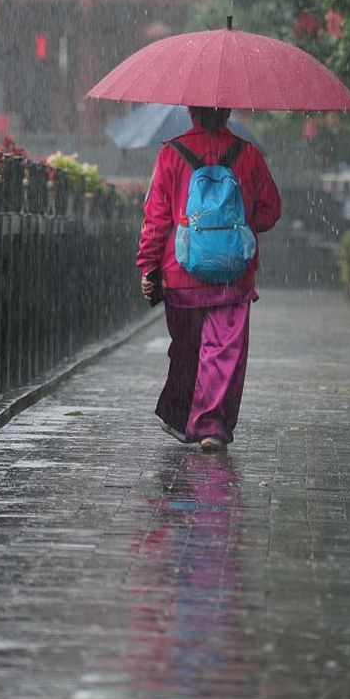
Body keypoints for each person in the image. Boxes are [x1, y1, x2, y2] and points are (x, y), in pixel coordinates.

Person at [137, 106, 281, 454]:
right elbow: (271, 210)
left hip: (181, 271)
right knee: (224, 351)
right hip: (234, 273)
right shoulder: (248, 154)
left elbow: (155, 218)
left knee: (187, 349)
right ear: (228, 112)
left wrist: (148, 265)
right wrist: (236, 226)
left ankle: (178, 415)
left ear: (190, 111)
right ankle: (211, 426)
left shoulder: (171, 153)